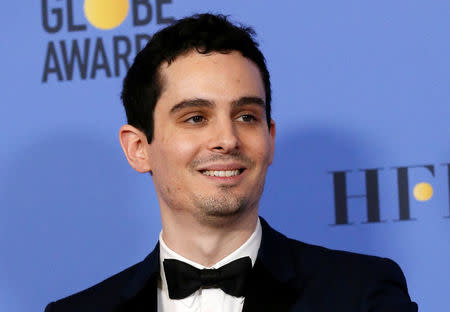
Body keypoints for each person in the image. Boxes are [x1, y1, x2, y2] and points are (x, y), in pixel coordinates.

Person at [44, 13, 418, 312]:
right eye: (195, 118)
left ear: (270, 139)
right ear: (139, 147)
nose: (227, 139)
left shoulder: (361, 294)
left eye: (246, 116)